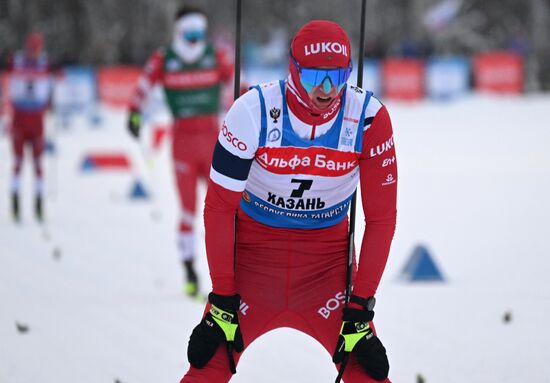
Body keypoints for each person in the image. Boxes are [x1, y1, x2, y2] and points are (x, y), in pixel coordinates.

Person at [181, 20, 397, 382]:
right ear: (293, 71)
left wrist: (360, 308)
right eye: (314, 77)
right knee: (207, 368)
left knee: (367, 373)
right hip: (252, 263)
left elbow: (381, 219)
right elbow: (219, 208)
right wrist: (222, 296)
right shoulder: (252, 112)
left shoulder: (369, 118)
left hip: (326, 271)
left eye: (338, 77)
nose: (327, 90)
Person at [127, 6, 235, 298]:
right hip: (183, 143)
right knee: (188, 210)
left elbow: (240, 85)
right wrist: (134, 113)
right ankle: (189, 270)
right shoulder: (165, 58)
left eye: (199, 33)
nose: (195, 40)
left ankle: (231, 273)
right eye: (190, 34)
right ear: (179, 32)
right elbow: (143, 85)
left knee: (225, 208)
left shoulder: (217, 56)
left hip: (214, 141)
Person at [7, 32, 53, 222]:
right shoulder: (18, 61)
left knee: (37, 164)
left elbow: (49, 89)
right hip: (20, 119)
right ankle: (16, 201)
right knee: (18, 162)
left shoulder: (43, 63)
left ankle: (38, 203)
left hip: (36, 121)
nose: (35, 51)